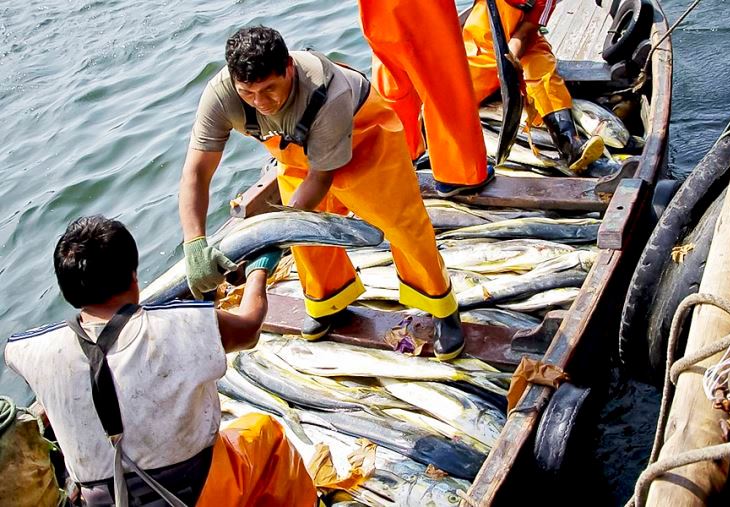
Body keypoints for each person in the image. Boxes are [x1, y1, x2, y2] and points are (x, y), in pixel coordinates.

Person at [179, 26, 466, 360]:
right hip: (294, 149)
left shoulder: (329, 93)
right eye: (248, 93)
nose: (260, 102)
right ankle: (330, 302)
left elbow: (320, 177)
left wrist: (274, 238)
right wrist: (194, 243)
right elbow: (196, 172)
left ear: (288, 67)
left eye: (270, 89)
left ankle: (441, 305)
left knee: (402, 223)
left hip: (363, 136)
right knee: (304, 236)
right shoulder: (220, 95)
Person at [4, 216, 316, 506]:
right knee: (265, 434)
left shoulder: (32, 351)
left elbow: (12, 351)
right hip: (195, 492)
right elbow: (248, 329)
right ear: (133, 276)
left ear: (68, 292)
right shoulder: (179, 324)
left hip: (106, 500)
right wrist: (258, 271)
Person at [357, 0, 495, 197]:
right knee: (444, 84)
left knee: (394, 80)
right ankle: (458, 174)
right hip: (421, 9)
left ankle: (402, 158)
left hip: (376, 13)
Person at [462, 0, 604, 173]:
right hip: (481, 44)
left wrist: (509, 59)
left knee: (544, 76)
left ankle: (570, 143)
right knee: (457, 98)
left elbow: (525, 32)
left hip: (523, 42)